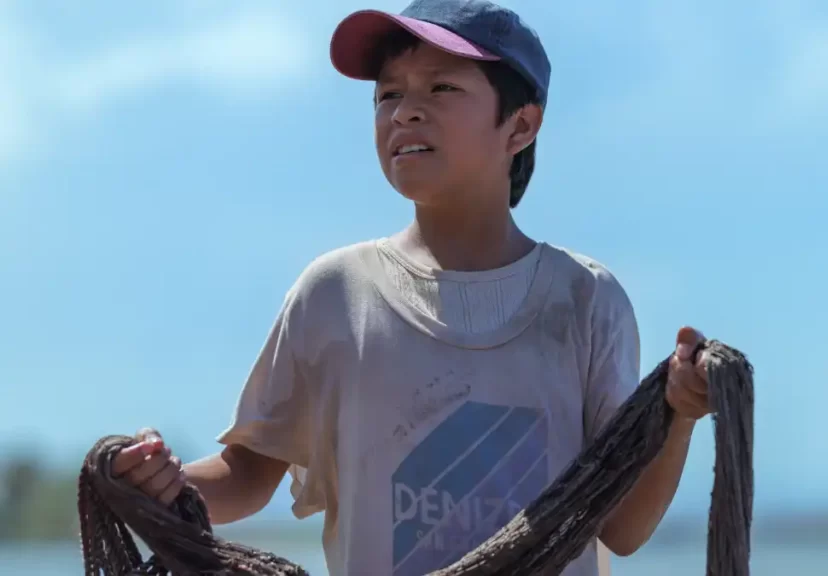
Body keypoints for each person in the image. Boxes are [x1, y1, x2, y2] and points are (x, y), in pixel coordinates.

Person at [110, 0, 712, 574]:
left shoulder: (585, 300)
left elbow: (623, 529)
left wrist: (678, 415)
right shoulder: (335, 294)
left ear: (521, 125)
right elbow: (246, 477)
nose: (404, 112)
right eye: (388, 95)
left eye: (442, 88)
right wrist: (162, 486)